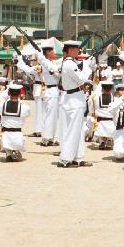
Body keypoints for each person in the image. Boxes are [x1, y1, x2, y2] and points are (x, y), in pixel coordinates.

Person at [57, 40, 95, 168]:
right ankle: (65, 159)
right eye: (76, 49)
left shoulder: (71, 63)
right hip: (74, 99)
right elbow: (82, 79)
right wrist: (88, 67)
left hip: (75, 97)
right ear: (71, 50)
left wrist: (87, 63)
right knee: (73, 131)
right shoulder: (69, 64)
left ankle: (78, 158)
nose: (78, 51)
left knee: (78, 131)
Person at [33, 40, 62, 146]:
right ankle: (47, 138)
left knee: (55, 116)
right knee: (50, 116)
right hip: (51, 91)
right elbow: (54, 69)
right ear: (48, 52)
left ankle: (53, 137)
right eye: (52, 51)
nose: (55, 53)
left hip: (55, 91)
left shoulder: (53, 62)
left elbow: (61, 62)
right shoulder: (45, 62)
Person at [0, 83, 31, 162]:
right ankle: (15, 151)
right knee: (19, 145)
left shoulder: (1, 105)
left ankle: (9, 152)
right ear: (20, 94)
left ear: (9, 93)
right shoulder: (25, 107)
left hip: (5, 138)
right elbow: (27, 115)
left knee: (5, 136)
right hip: (18, 138)